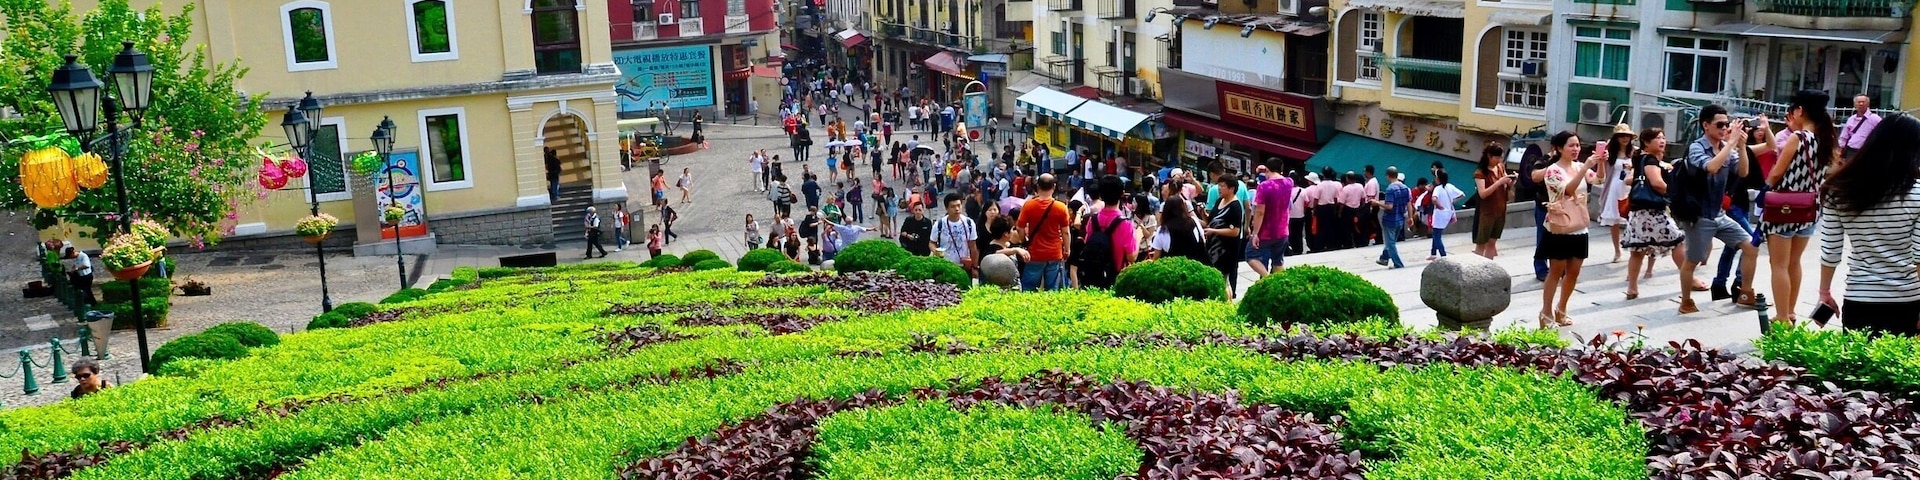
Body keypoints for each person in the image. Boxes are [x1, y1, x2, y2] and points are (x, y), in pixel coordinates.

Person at [1817, 113, 1920, 335]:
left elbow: (1830, 250)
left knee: (1857, 368)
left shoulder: (1838, 189)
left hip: (1859, 297)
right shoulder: (1917, 193)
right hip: (1907, 300)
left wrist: (1824, 292)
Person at [1678, 104, 1764, 314]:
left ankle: (1745, 293)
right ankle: (1686, 301)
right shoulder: (1697, 147)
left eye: (1727, 124)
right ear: (1705, 125)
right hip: (1699, 215)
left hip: (1720, 214)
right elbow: (1711, 167)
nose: (1724, 128)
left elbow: (1743, 172)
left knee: (1751, 247)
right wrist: (1731, 143)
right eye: (1720, 124)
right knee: (1692, 261)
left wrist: (1741, 147)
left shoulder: (1726, 146)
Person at [1763, 90, 1837, 323]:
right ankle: (1791, 312)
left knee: (1778, 265)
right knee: (1794, 262)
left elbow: (1776, 173)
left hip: (1784, 208)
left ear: (1800, 111)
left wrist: (1765, 187)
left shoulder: (1799, 138)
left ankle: (1782, 317)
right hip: (1810, 208)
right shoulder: (1828, 140)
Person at [1533, 131, 1597, 327]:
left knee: (1574, 271)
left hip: (1579, 225)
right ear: (1559, 148)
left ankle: (1562, 309)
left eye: (1577, 145)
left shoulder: (1579, 166)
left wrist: (1601, 162)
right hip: (1560, 225)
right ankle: (1546, 313)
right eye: (1571, 145)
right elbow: (1568, 189)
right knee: (1556, 271)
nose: (1576, 149)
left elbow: (1597, 179)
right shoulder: (1553, 170)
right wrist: (1585, 166)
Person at [1622, 128, 1687, 300]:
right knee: (1677, 241)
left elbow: (1632, 179)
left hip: (1638, 210)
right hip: (1653, 211)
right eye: (1657, 138)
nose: (1662, 141)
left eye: (1663, 137)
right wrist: (1675, 192)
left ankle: (1632, 288)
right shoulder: (1650, 160)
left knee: (1637, 249)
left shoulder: (1640, 158)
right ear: (1647, 142)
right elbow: (1657, 183)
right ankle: (1689, 278)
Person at [1016, 174, 1073, 291]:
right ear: (1054, 187)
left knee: (1029, 290)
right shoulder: (1061, 207)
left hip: (1034, 253)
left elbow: (1019, 228)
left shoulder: (1029, 205)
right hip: (1054, 253)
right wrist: (1067, 249)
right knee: (1052, 290)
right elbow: (1066, 232)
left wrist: (1024, 241)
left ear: (1037, 186)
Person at [1079, 176, 1137, 289]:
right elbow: (1132, 257)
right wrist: (1138, 236)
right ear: (1122, 194)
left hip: (1094, 276)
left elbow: (1088, 243)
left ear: (1100, 195)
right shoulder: (1125, 224)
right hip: (1116, 277)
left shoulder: (1093, 219)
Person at [1598, 124, 1637, 263]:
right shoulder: (1611, 153)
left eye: (1627, 136)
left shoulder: (1635, 152)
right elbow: (1602, 170)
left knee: (1633, 219)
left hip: (1632, 186)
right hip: (1615, 187)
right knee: (1614, 220)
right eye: (1621, 136)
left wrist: (1632, 167)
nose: (1625, 138)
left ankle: (1634, 248)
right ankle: (1617, 250)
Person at [1205, 176, 1246, 299]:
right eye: (1219, 185)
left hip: (1226, 249)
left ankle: (1227, 303)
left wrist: (1214, 231)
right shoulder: (1219, 201)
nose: (1219, 188)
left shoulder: (1235, 207)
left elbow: (1235, 231)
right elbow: (1212, 219)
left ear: (1231, 188)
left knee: (1224, 279)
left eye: (1222, 186)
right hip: (1213, 247)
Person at [1246, 166, 1292, 276]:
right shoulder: (1289, 182)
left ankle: (1267, 279)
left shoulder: (1264, 186)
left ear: (1267, 171)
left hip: (1266, 231)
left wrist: (1255, 233)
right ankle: (1277, 285)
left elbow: (1259, 212)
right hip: (1283, 230)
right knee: (1278, 260)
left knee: (1250, 255)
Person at [1473, 144, 1515, 258]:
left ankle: (1489, 269)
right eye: (1496, 158)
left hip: (1500, 210)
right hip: (1486, 213)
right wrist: (1499, 182)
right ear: (1489, 156)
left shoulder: (1500, 167)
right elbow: (1483, 194)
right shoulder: (1480, 173)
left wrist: (1510, 181)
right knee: (1481, 244)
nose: (1499, 160)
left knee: (1492, 243)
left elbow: (1505, 182)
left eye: (1500, 157)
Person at [933, 193, 979, 276]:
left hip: (964, 265)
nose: (957, 209)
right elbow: (932, 242)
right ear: (946, 208)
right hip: (945, 265)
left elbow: (973, 246)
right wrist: (935, 251)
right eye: (953, 206)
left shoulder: (969, 223)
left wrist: (974, 266)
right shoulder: (939, 224)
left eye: (959, 205)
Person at [1373, 168, 1411, 269]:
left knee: (1390, 243)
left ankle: (1398, 264)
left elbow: (1389, 206)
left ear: (1388, 176)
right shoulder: (1405, 188)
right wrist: (1410, 217)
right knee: (1391, 241)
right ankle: (1384, 258)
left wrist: (1377, 203)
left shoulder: (1390, 189)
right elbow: (1409, 204)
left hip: (1390, 219)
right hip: (1400, 219)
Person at [1425, 171, 1463, 260]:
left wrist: (1439, 206)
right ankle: (1433, 253)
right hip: (1448, 212)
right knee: (1436, 232)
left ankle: (1443, 255)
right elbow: (1462, 194)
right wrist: (1452, 201)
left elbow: (1434, 199)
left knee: (1436, 235)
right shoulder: (1449, 186)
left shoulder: (1438, 188)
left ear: (1438, 179)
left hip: (1440, 213)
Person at [1837, 93, 1882, 161]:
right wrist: (1840, 150)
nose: (1861, 104)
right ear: (1855, 105)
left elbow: (1883, 133)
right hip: (1851, 151)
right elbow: (1844, 137)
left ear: (1868, 104)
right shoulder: (1851, 119)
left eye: (1863, 102)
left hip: (1867, 152)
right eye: (1859, 102)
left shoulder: (1875, 119)